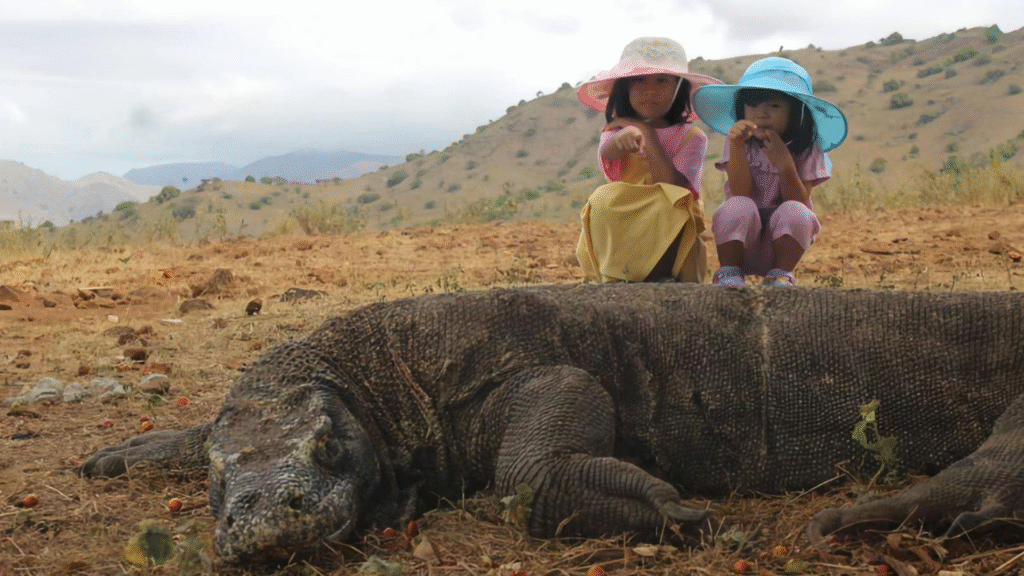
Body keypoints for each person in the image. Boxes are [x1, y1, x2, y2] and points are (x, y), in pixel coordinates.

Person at [575, 37, 722, 283]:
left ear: (679, 89)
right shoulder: (615, 130)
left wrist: (647, 135)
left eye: (662, 80)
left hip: (671, 225)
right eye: (638, 80)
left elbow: (675, 189)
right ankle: (617, 273)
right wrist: (621, 139)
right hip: (628, 216)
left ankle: (660, 275)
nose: (649, 90)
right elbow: (608, 155)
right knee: (601, 199)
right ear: (624, 88)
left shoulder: (692, 137)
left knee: (669, 203)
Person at [692, 56, 848, 287]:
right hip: (742, 240)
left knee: (797, 212)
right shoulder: (738, 141)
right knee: (737, 206)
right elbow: (741, 190)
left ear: (796, 112)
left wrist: (784, 163)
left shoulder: (807, 148)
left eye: (773, 106)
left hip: (782, 242)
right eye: (752, 105)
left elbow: (797, 200)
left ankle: (781, 274)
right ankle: (729, 272)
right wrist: (736, 147)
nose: (760, 114)